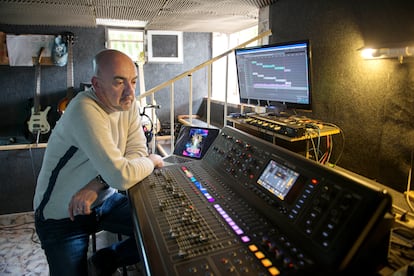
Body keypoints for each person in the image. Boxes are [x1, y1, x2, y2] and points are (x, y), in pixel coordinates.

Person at [33, 49, 164, 276]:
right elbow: (122, 176)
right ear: (96, 84)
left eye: (133, 81)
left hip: (104, 201)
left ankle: (107, 258)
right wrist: (152, 161)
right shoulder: (84, 109)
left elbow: (136, 153)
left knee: (163, 228)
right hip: (62, 216)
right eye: (119, 82)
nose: (130, 91)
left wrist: (97, 184)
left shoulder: (128, 105)